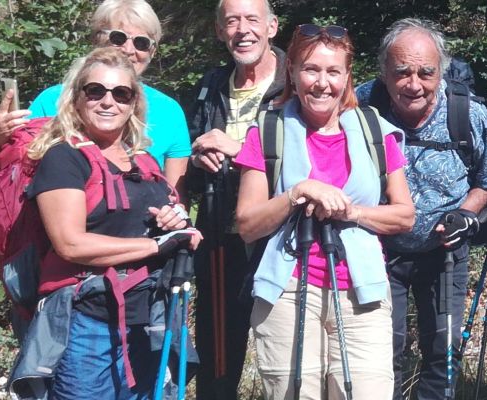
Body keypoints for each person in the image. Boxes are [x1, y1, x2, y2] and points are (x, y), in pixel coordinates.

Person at [233, 24, 416, 399]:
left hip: (362, 292)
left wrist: (348, 212)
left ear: (347, 77)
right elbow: (247, 224)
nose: (322, 83)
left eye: (333, 72)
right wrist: (298, 192)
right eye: (311, 69)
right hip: (286, 291)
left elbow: (404, 216)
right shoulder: (267, 131)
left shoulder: (373, 131)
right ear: (293, 73)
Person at [23, 48, 201, 399]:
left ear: (134, 103)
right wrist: (156, 245)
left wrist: (173, 222)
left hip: (148, 321)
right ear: (77, 98)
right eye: (96, 91)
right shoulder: (64, 158)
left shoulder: (144, 160)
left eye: (121, 93)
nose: (108, 101)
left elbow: (161, 219)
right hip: (88, 326)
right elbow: (70, 244)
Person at [362, 18, 487, 400]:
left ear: (440, 71)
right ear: (384, 72)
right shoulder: (361, 107)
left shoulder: (467, 114)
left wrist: (466, 212)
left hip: (444, 250)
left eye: (426, 72)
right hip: (376, 250)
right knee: (379, 352)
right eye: (402, 72)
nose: (414, 84)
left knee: (443, 350)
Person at [179, 0, 285, 396]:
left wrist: (238, 151)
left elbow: (313, 162)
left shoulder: (298, 81)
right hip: (221, 241)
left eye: (252, 20)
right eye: (232, 21)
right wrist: (198, 158)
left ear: (272, 27)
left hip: (282, 241)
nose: (243, 30)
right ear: (220, 31)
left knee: (290, 355)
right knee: (218, 361)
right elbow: (187, 164)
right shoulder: (210, 86)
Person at [0, 0, 193, 188]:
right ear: (97, 40)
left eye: (141, 43)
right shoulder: (53, 100)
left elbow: (175, 195)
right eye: (118, 38)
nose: (129, 49)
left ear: (153, 51)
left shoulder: (169, 111)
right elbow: (7, 173)